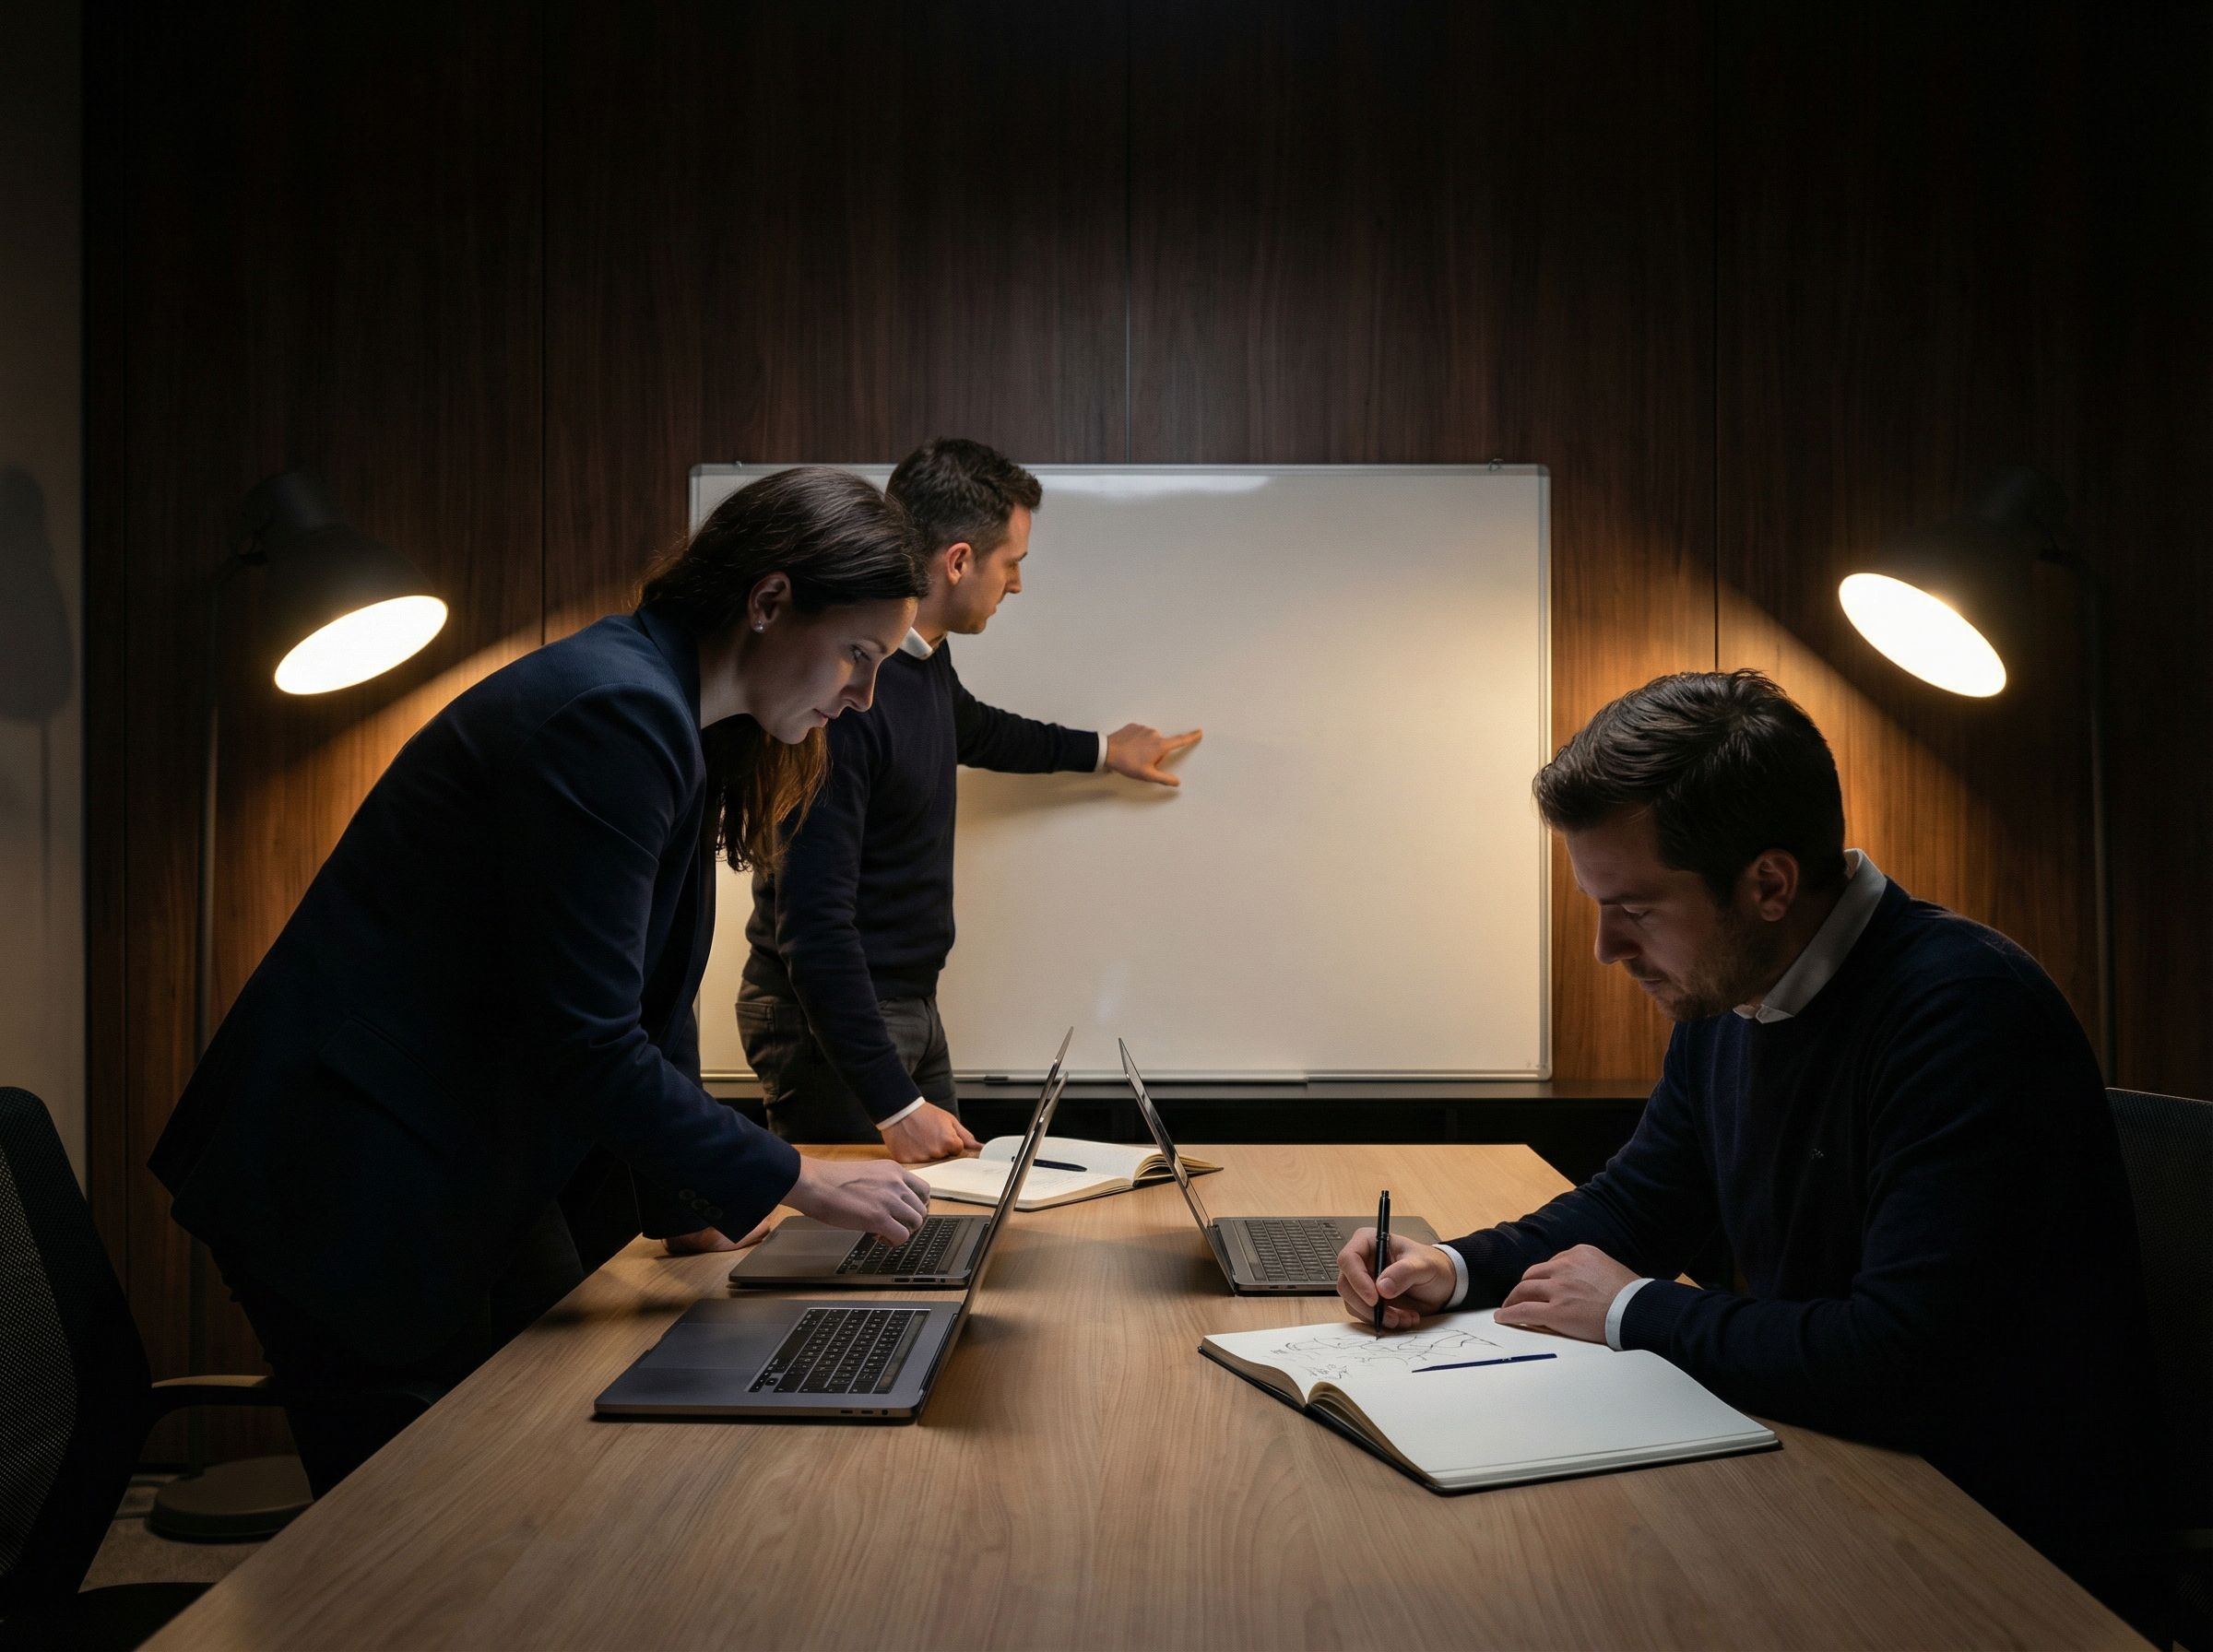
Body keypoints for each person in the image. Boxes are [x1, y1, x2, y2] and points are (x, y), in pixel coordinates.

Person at [150, 466, 938, 1493]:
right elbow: (590, 1038)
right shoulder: (614, 712)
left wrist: (690, 1206)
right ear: (771, 600)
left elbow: (654, 1002)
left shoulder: (675, 718)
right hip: (350, 1174)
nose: (865, 694)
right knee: (415, 1541)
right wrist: (794, 1176)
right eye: (859, 655)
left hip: (450, 1155)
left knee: (547, 1466)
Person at [1334, 669, 2160, 1626]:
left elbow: (1897, 1360)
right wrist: (1452, 1265)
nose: (1606, 948)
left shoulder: (1963, 1011)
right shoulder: (1733, 992)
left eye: (1634, 909)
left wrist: (1636, 1310)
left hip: (1996, 1558)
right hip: (1834, 1476)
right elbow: (1641, 1204)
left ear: (1768, 883)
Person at [741, 438, 1201, 1159]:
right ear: (958, 561)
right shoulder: (842, 700)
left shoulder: (921, 659)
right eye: (1011, 562)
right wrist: (893, 1105)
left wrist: (1107, 751)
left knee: (943, 1222)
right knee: (857, 1251)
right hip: (831, 1019)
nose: (1015, 584)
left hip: (906, 1004)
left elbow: (975, 729)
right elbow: (813, 928)